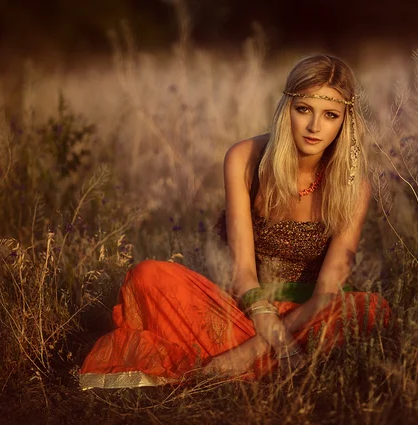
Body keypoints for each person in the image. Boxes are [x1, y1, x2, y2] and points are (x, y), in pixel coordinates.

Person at [79, 54, 391, 389]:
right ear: (287, 108)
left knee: (368, 309)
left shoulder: (353, 186)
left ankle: (237, 363)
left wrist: (255, 347)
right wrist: (263, 320)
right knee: (147, 277)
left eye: (330, 115)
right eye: (304, 110)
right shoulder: (245, 159)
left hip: (311, 315)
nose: (315, 127)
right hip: (246, 309)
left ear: (344, 121)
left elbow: (328, 290)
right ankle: (282, 366)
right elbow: (243, 270)